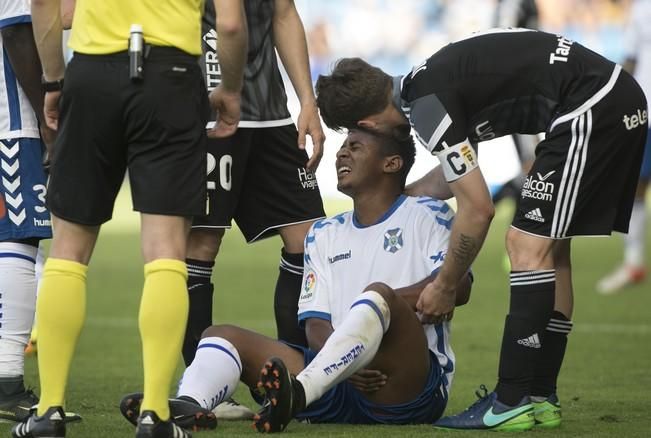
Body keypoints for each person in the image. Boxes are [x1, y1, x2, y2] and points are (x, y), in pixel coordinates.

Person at [315, 28, 647, 430]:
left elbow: (477, 209)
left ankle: (510, 399)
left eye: (356, 135)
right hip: (612, 98)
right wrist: (402, 199)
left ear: (366, 122)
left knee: (523, 243)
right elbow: (458, 175)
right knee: (552, 250)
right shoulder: (427, 82)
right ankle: (539, 395)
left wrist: (445, 284)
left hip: (591, 106)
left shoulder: (425, 106)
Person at [118, 128, 473, 433]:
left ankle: (298, 393)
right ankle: (189, 405)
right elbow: (315, 323)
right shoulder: (323, 232)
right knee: (219, 336)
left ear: (391, 163)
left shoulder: (429, 214)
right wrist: (344, 365)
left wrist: (375, 321)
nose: (341, 153)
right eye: (342, 146)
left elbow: (460, 286)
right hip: (334, 382)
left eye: (355, 147)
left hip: (402, 385)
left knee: (379, 295)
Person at [14, 1, 247, 438]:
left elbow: (44, 3)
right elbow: (231, 23)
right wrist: (230, 91)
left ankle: (48, 413)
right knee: (165, 251)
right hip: (172, 77)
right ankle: (156, 414)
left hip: (91, 72)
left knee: (68, 251)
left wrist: (53, 80)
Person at [183, 1, 326, 409]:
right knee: (202, 247)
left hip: (272, 115)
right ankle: (201, 385)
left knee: (310, 240)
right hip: (209, 109)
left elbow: (283, 13)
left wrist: (307, 101)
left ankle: (298, 382)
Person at [0, 0, 52, 422]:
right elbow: (17, 30)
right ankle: (7, 381)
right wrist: (47, 115)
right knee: (19, 237)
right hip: (10, 124)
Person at [596, 0, 650, 294]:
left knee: (635, 188)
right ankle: (633, 263)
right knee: (636, 187)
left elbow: (630, 58)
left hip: (645, 110)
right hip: (647, 111)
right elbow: (631, 57)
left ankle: (633, 262)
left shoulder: (641, 8)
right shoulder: (640, 7)